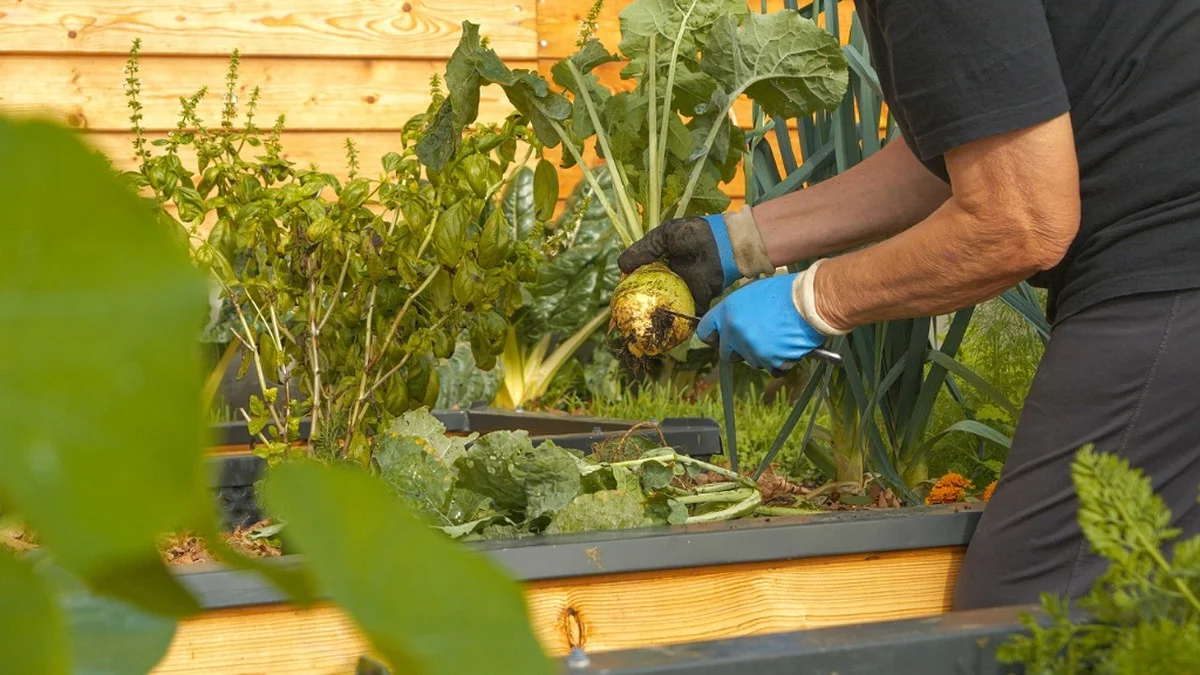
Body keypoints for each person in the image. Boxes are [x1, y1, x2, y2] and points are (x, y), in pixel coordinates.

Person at [617, 0, 1200, 610]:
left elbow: (1022, 220)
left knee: (1027, 612)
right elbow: (968, 149)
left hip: (1173, 274)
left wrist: (811, 301)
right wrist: (738, 243)